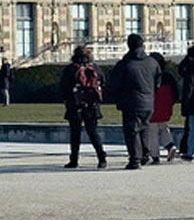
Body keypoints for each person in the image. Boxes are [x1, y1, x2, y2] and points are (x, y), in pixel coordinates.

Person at [108, 33, 161, 170]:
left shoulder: (125, 64)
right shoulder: (152, 62)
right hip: (149, 101)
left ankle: (135, 159)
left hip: (131, 101)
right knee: (144, 127)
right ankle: (144, 153)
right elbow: (158, 82)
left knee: (132, 131)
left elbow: (115, 83)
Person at [59, 45, 107, 169]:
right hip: (92, 105)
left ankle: (74, 159)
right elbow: (103, 81)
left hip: (75, 105)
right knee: (93, 132)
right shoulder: (95, 68)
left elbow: (63, 87)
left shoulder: (70, 69)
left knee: (75, 133)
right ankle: (101, 158)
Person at [147, 52, 179, 163]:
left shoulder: (150, 76)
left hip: (153, 107)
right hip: (166, 108)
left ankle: (155, 156)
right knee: (164, 128)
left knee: (152, 132)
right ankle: (170, 145)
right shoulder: (168, 76)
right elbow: (176, 93)